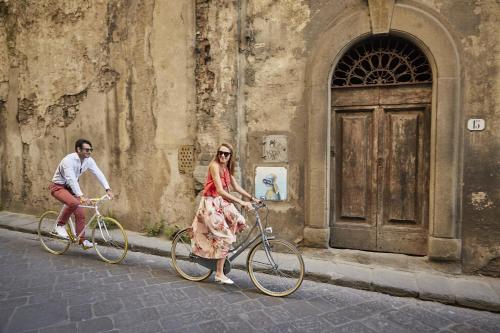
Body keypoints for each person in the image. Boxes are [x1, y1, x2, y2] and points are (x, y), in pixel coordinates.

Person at [191, 143, 259, 284]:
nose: (222, 155)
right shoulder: (214, 166)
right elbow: (221, 191)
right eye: (220, 152)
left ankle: (223, 248)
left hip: (220, 202)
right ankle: (219, 273)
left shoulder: (227, 168)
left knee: (239, 220)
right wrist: (241, 203)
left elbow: (236, 186)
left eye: (226, 154)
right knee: (226, 236)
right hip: (210, 203)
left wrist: (251, 198)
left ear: (230, 156)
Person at [50, 138, 114, 248]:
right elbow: (71, 179)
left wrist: (108, 189)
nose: (89, 152)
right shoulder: (68, 160)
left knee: (81, 214)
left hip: (71, 189)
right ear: (78, 149)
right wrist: (81, 196)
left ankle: (81, 240)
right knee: (74, 203)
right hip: (58, 187)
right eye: (86, 150)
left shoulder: (88, 160)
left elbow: (98, 173)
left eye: (90, 150)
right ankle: (59, 226)